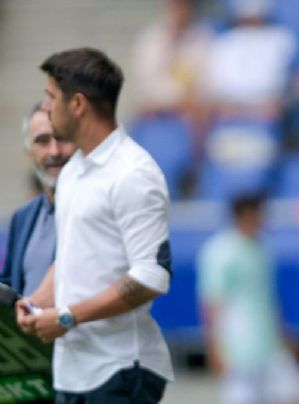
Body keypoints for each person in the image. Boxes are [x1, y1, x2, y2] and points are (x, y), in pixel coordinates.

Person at [16, 47, 173, 403]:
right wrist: (38, 302)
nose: (46, 108)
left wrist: (69, 317)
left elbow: (151, 277)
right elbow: (72, 254)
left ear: (78, 104)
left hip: (121, 369)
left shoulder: (134, 174)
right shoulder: (73, 171)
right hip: (74, 372)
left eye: (51, 98)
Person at [197, 193, 299, 404]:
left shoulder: (263, 248)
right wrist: (213, 347)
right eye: (259, 213)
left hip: (271, 344)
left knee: (294, 396)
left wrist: (285, 335)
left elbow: (269, 298)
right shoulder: (219, 251)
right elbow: (211, 303)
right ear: (244, 214)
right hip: (237, 347)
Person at [1, 101, 75, 297]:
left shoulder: (100, 209)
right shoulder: (22, 218)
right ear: (28, 151)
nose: (54, 151)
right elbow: (11, 289)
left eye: (62, 139)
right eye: (43, 141)